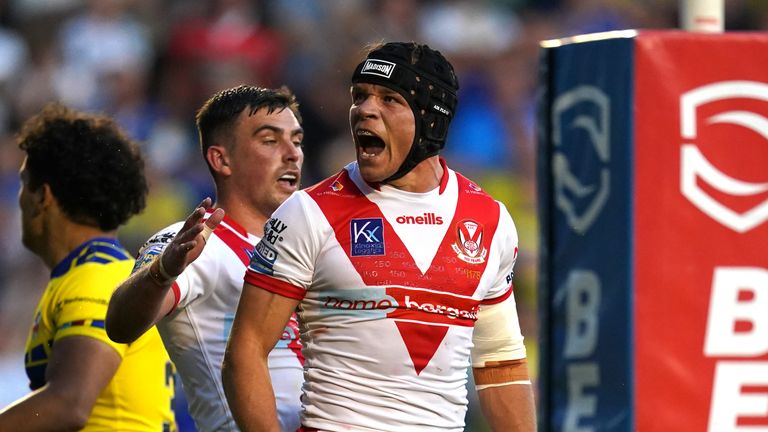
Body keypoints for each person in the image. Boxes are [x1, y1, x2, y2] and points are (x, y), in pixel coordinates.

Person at [222, 42, 537, 431]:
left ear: (431, 119)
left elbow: (499, 360)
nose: (364, 110)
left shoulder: (489, 220)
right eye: (359, 96)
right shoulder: (308, 213)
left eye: (389, 99)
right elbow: (246, 351)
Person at [106, 85, 305, 432]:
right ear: (221, 159)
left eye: (297, 141)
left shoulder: (305, 245)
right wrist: (162, 271)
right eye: (270, 141)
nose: (292, 154)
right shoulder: (194, 243)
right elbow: (120, 324)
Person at [0, 103, 175, 431]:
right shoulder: (101, 272)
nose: (18, 197)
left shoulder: (97, 276)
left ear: (43, 196)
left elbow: (70, 403)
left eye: (24, 183)